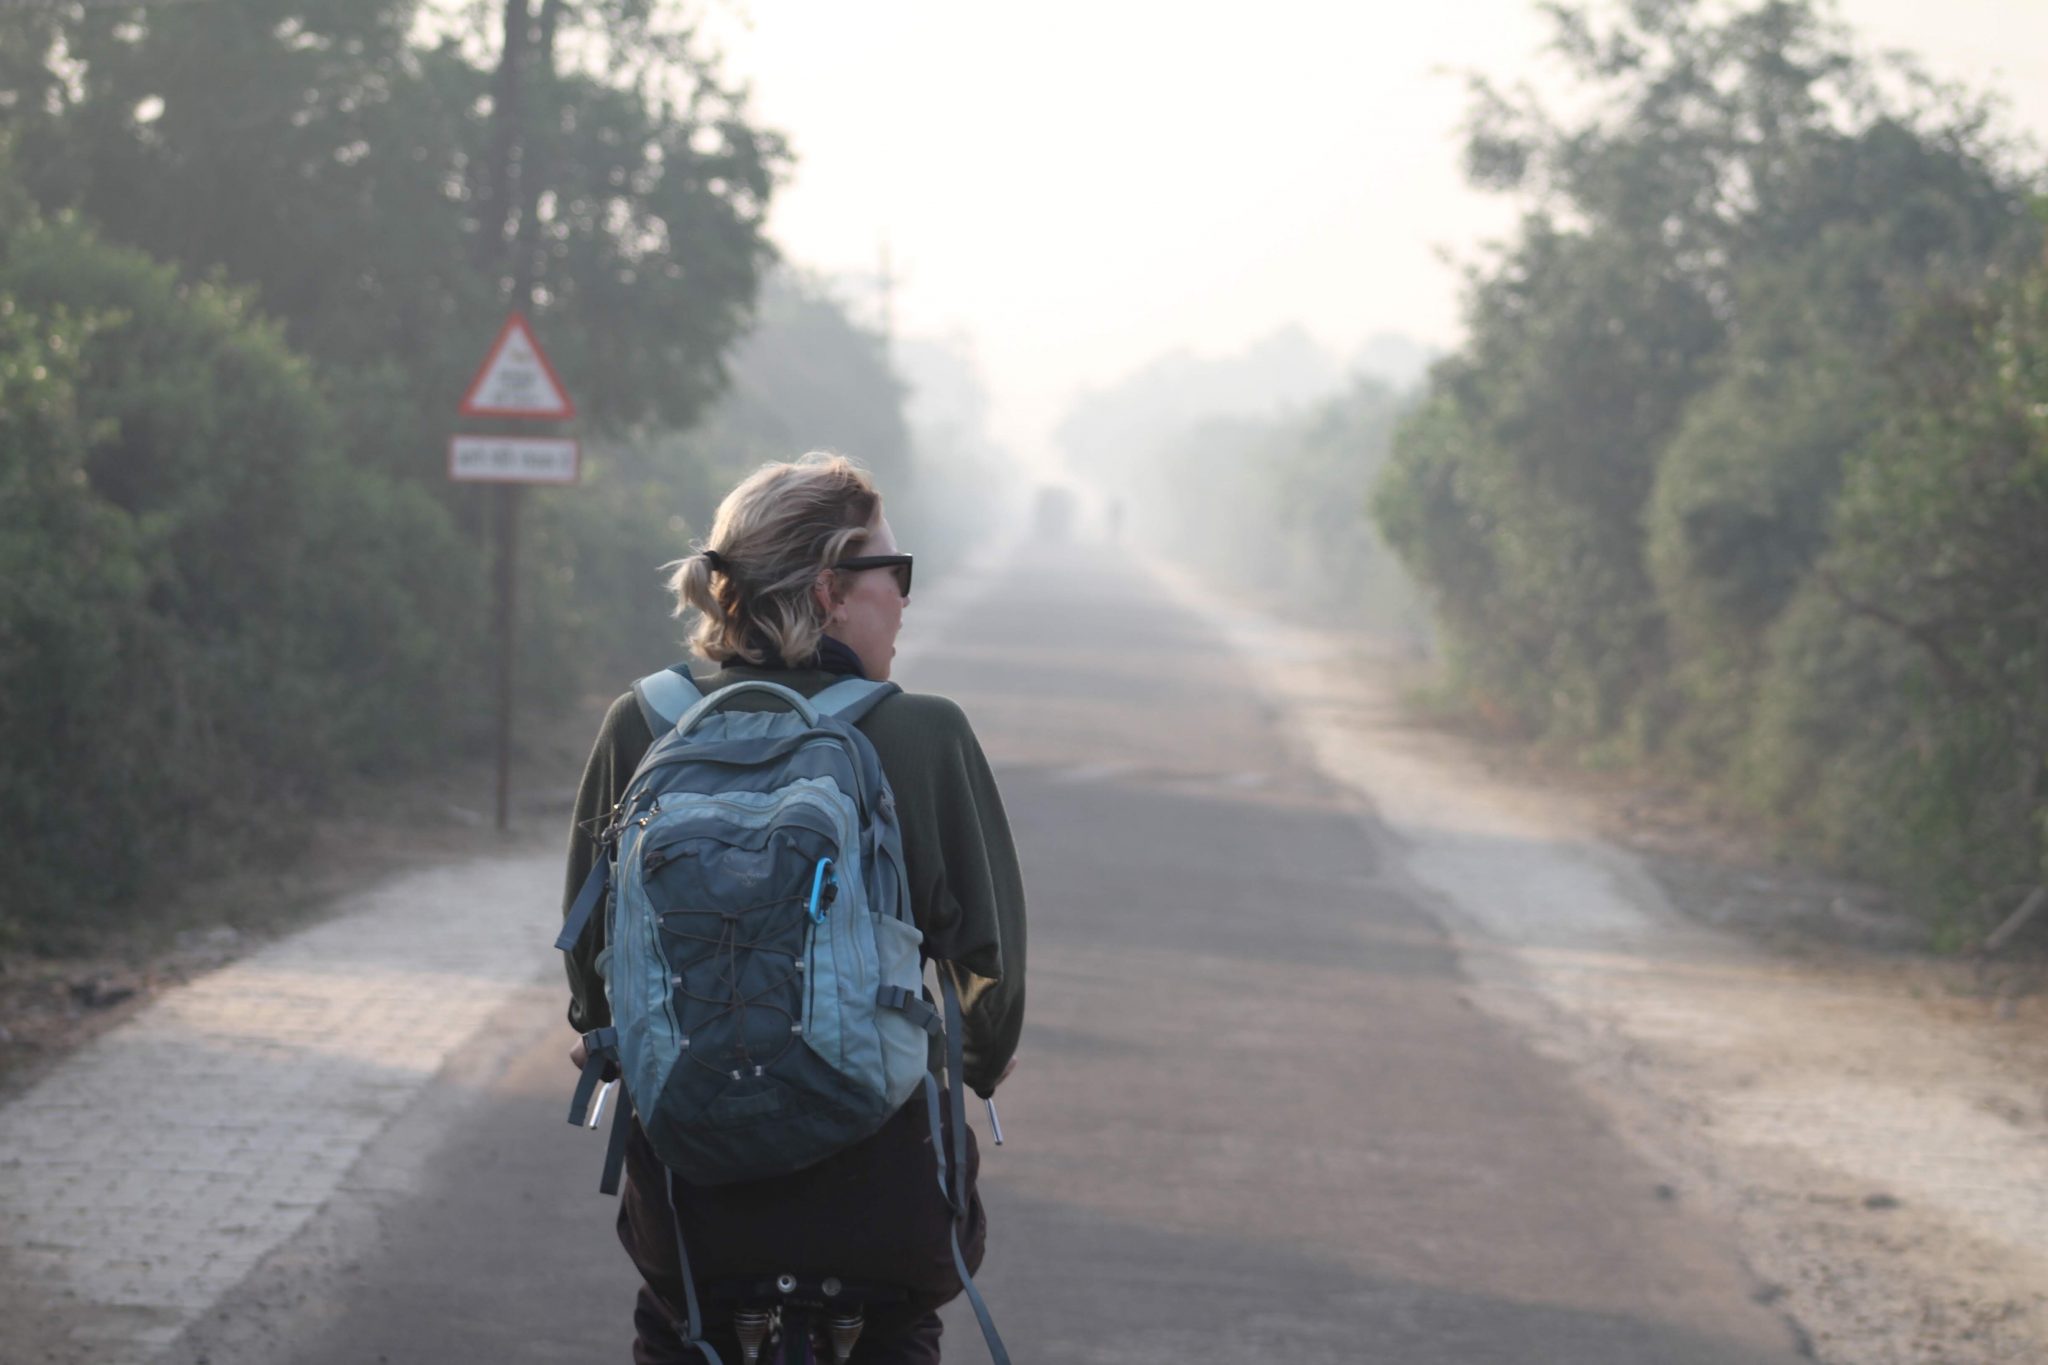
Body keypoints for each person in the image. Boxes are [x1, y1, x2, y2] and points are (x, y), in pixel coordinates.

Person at [561, 453, 1026, 1364]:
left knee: (678, 1327)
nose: (905, 598)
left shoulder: (642, 723)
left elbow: (592, 963)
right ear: (829, 591)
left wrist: (605, 1029)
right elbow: (988, 973)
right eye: (895, 573)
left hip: (694, 1207)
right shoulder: (925, 732)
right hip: (880, 1204)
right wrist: (977, 1059)